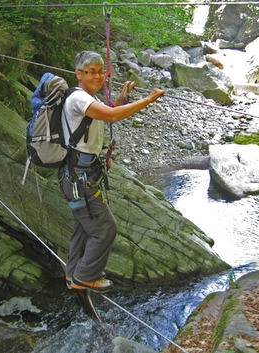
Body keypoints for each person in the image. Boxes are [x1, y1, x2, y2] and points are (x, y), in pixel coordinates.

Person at [58, 50, 165, 293]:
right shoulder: (78, 99)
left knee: (85, 227)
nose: (98, 76)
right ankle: (85, 277)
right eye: (91, 72)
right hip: (80, 181)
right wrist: (149, 99)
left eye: (100, 71)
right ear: (78, 74)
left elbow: (109, 110)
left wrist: (123, 96)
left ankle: (74, 273)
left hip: (79, 177)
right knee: (106, 228)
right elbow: (112, 116)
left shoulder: (88, 98)